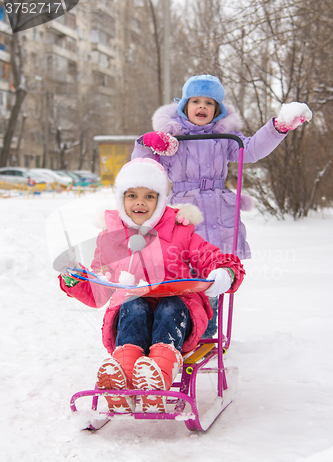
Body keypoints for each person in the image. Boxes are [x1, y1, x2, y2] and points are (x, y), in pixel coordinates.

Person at [131, 74, 312, 336]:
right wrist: (147, 144)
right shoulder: (172, 138)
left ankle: (206, 331)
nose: (202, 107)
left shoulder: (224, 136)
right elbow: (143, 170)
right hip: (184, 213)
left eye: (209, 102)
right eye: (196, 101)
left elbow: (249, 149)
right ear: (184, 105)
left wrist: (278, 127)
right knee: (184, 275)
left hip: (218, 214)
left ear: (217, 109)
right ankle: (177, 327)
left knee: (213, 276)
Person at [59, 158, 245, 413]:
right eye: (132, 195)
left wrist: (224, 271)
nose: (139, 202)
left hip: (179, 316)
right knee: (133, 305)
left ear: (160, 200)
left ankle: (158, 375)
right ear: (121, 198)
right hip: (131, 316)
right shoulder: (110, 237)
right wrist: (76, 279)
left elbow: (209, 255)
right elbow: (99, 290)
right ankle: (123, 378)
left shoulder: (180, 229)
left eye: (149, 196)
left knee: (169, 306)